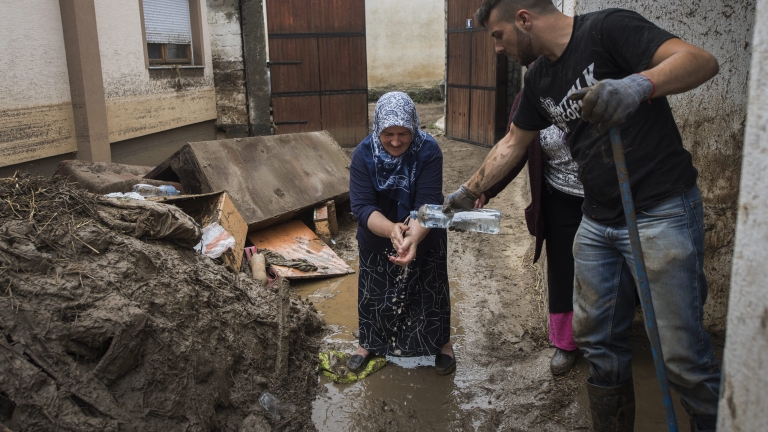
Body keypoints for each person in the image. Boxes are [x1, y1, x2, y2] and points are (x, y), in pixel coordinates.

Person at [443, 1, 721, 431]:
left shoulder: (606, 29)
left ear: (524, 19)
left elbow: (701, 61)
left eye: (498, 35)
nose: (497, 48)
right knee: (596, 340)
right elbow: (514, 142)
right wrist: (469, 191)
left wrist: (638, 85)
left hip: (659, 210)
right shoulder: (538, 78)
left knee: (681, 356)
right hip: (598, 217)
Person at [477, 90, 583, 376]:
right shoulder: (533, 93)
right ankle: (566, 343)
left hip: (605, 196)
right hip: (560, 197)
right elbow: (514, 149)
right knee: (563, 269)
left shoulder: (596, 80)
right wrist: (484, 190)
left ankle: (607, 339)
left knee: (610, 270)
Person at [348, 92, 455, 375]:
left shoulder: (428, 150)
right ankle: (368, 344)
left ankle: (442, 344)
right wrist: (391, 229)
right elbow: (362, 207)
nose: (396, 141)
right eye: (388, 134)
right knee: (375, 293)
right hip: (376, 234)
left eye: (403, 133)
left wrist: (413, 238)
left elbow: (428, 204)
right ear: (377, 129)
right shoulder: (362, 155)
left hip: (424, 231)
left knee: (430, 291)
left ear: (414, 128)